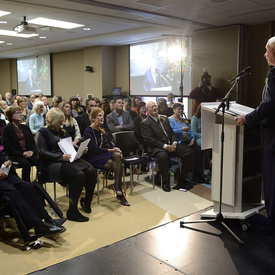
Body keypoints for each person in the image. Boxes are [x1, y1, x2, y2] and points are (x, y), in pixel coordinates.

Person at [235, 36, 275, 230]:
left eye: (267, 50)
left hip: (272, 139)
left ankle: (271, 222)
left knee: (271, 180)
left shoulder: (274, 75)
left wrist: (247, 118)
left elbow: (268, 105)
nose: (265, 54)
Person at [35, 107, 96, 222]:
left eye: (62, 120)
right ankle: (72, 211)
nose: (61, 123)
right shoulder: (41, 133)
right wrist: (60, 157)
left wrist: (80, 150)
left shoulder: (62, 131)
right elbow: (41, 153)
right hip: (51, 163)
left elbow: (70, 145)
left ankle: (86, 201)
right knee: (78, 174)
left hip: (66, 158)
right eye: (59, 121)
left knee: (90, 170)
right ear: (52, 120)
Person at [0, 150, 65, 237]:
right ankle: (38, 224)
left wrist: (8, 162)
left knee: (28, 186)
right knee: (13, 192)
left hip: (6, 174)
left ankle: (47, 219)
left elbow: (3, 155)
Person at [141, 101, 196, 192]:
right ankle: (165, 181)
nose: (154, 108)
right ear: (147, 110)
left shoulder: (164, 118)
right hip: (155, 148)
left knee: (189, 152)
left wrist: (174, 142)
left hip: (170, 144)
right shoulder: (145, 123)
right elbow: (150, 140)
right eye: (151, 107)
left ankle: (184, 178)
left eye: (155, 106)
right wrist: (166, 146)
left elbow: (171, 132)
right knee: (163, 156)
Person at [84, 107, 130, 206]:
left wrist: (114, 148)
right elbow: (93, 149)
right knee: (119, 166)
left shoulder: (103, 130)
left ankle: (117, 186)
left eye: (102, 116)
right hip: (94, 156)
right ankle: (118, 190)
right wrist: (111, 150)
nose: (102, 118)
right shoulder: (88, 131)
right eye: (99, 116)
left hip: (104, 154)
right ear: (92, 118)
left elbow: (109, 143)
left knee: (117, 155)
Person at [168, 102, 209, 184]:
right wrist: (182, 130)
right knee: (190, 153)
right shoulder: (170, 120)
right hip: (178, 141)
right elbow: (170, 132)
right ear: (173, 110)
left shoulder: (183, 120)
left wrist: (193, 139)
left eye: (182, 109)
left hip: (188, 140)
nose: (180, 111)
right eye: (178, 109)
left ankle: (198, 174)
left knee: (199, 150)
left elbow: (190, 131)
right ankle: (186, 176)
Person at [2, 106, 38, 182]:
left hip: (28, 153)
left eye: (20, 112)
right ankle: (26, 183)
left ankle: (39, 182)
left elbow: (32, 142)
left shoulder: (25, 127)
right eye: (17, 113)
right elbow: (7, 146)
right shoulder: (6, 129)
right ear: (11, 116)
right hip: (16, 154)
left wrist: (32, 151)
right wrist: (22, 154)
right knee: (26, 164)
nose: (20, 114)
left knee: (39, 160)